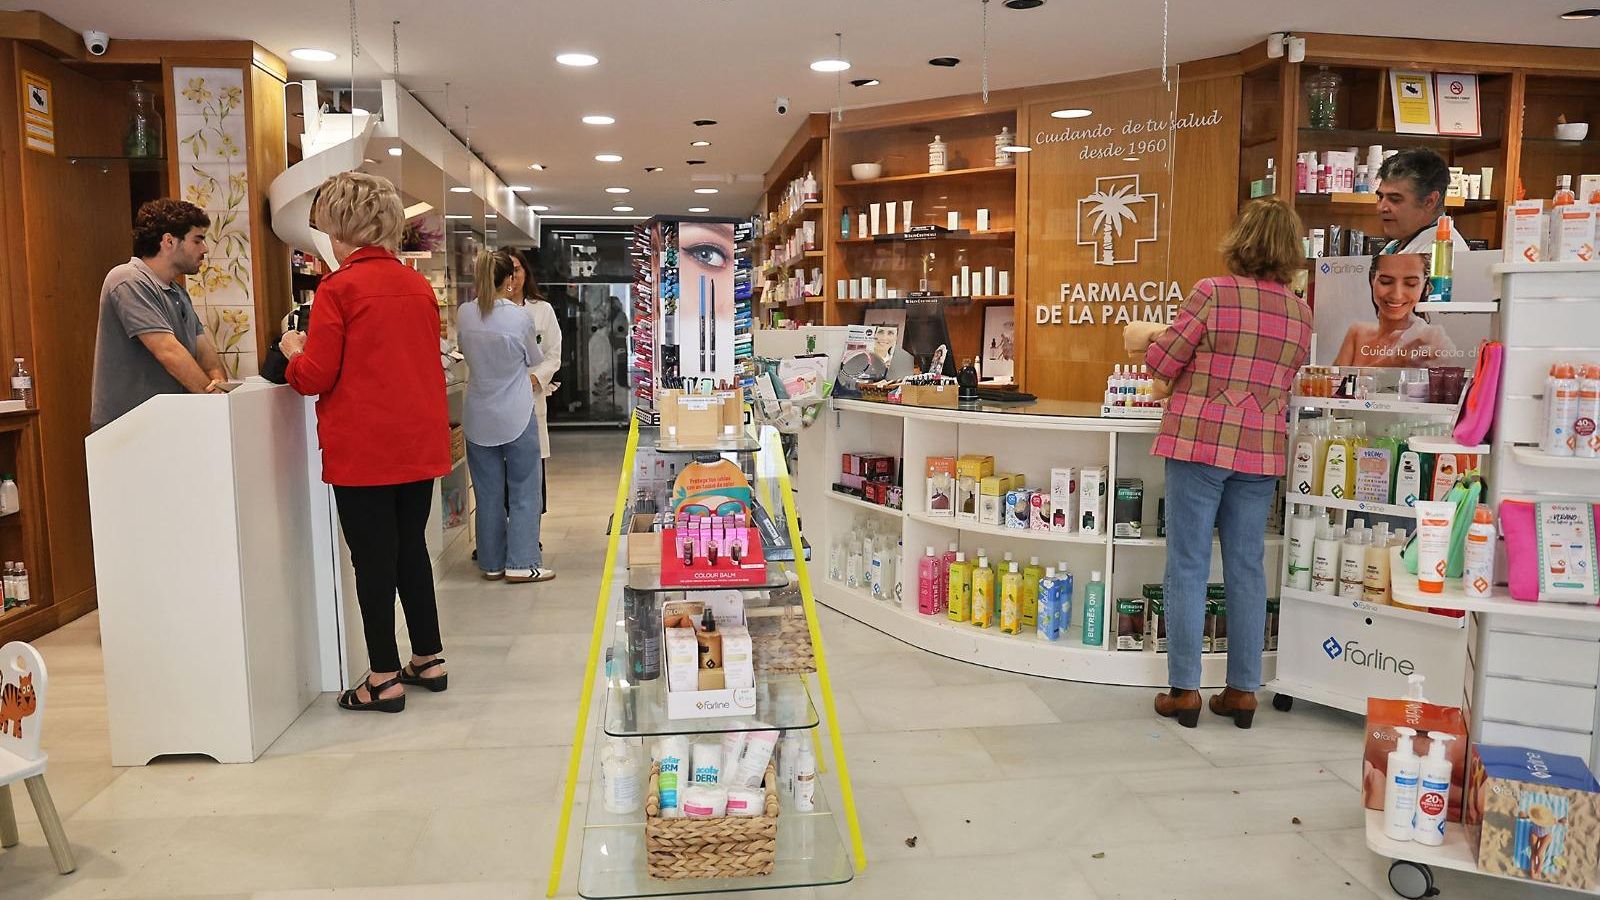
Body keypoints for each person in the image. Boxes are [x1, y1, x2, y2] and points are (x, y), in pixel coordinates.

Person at [1123, 198, 1313, 729]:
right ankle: (1242, 691)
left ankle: (1184, 691)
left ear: (1241, 240)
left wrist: (1156, 336)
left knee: (1187, 562)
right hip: (1260, 451)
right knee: (1247, 568)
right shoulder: (1300, 311)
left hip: (1200, 443)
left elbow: (1162, 362)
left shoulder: (1212, 293)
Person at [279, 172, 452, 714]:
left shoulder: (339, 289)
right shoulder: (417, 286)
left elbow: (315, 376)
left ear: (339, 229)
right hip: (417, 444)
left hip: (364, 448)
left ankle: (382, 677)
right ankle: (428, 656)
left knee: (371, 562)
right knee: (410, 553)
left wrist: (292, 350)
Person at [90, 199, 228, 431]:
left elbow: (203, 349)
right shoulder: (127, 279)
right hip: (127, 428)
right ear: (169, 241)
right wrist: (213, 397)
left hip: (163, 424)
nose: (204, 249)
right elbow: (167, 350)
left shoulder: (177, 292)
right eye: (198, 240)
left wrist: (219, 384)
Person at [459, 249, 554, 584]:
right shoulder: (519, 317)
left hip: (477, 414)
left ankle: (491, 561)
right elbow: (535, 356)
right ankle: (522, 562)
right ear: (510, 279)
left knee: (486, 492)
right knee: (525, 489)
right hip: (515, 413)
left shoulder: (465, 314)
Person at [1333, 253, 1458, 368]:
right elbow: (1331, 388)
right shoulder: (1357, 333)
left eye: (1411, 284)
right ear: (1372, 279)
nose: (1396, 295)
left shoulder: (1432, 339)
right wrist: (1390, 363)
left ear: (1424, 284)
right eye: (1386, 282)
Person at [514, 250, 561, 515]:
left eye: (517, 270)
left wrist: (535, 377)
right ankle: (500, 536)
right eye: (507, 271)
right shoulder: (483, 311)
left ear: (526, 273)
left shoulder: (541, 310)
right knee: (500, 477)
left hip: (531, 396)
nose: (513, 277)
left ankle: (529, 536)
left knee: (531, 471)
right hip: (499, 403)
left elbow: (554, 354)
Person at [1375, 148, 1472, 255]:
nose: (1381, 208)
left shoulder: (1444, 254)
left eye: (1395, 199)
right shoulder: (1398, 243)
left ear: (1429, 202)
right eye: (1380, 197)